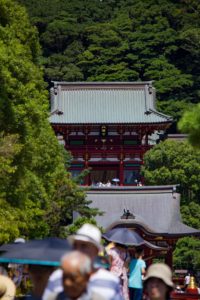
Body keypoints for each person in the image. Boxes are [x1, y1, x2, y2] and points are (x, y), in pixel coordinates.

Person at [43, 224, 122, 300]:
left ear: (96, 250)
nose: (78, 250)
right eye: (75, 245)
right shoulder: (57, 277)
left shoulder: (110, 280)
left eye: (84, 246)